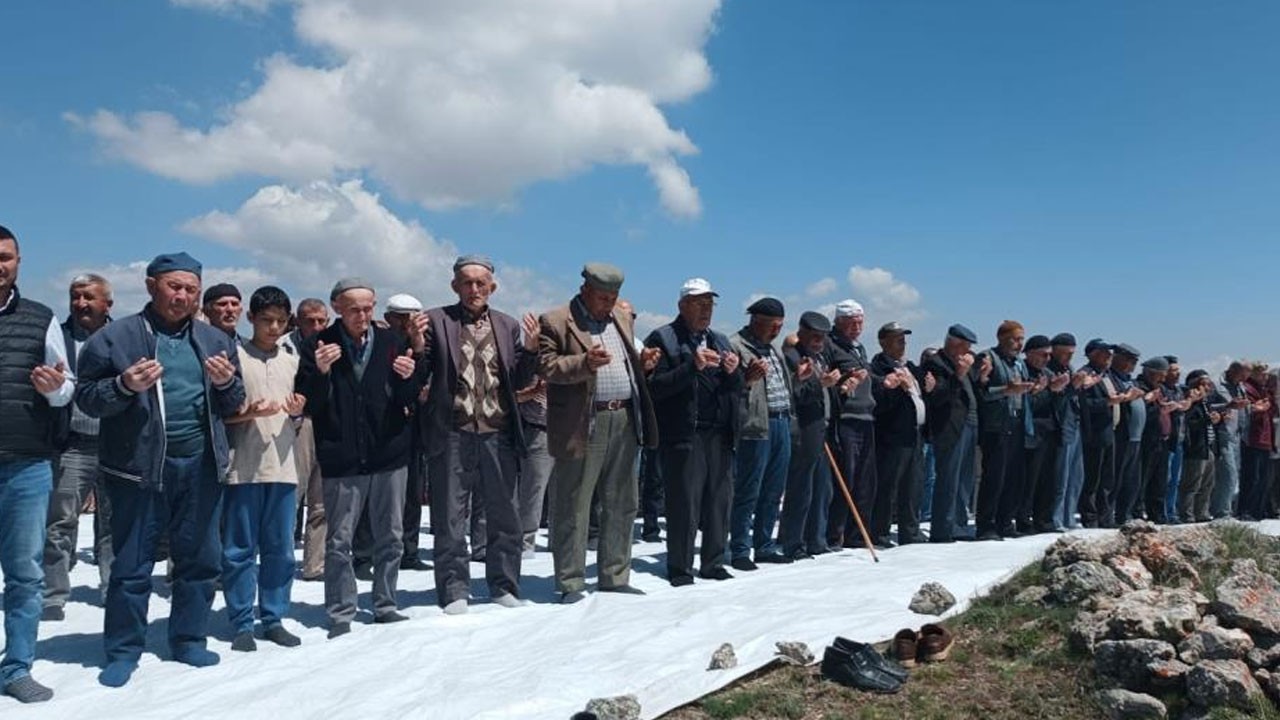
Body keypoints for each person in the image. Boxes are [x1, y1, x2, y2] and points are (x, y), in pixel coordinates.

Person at [76, 251, 245, 688]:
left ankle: (188, 637)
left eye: (190, 289)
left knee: (200, 559)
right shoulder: (116, 338)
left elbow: (234, 403)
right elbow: (88, 398)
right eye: (174, 286)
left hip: (201, 466)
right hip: (138, 469)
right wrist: (123, 386)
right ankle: (123, 649)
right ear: (152, 286)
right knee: (132, 565)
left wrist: (227, 383)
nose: (182, 295)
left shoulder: (215, 341)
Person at [296, 277, 424, 637]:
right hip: (342, 457)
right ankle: (340, 611)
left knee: (391, 536)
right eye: (354, 309)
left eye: (368, 308)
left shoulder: (390, 341)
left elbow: (407, 397)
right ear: (336, 307)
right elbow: (308, 401)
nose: (362, 316)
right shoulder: (318, 344)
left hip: (389, 453)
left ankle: (385, 603)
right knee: (339, 541)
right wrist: (319, 373)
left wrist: (410, 376)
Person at [420, 256, 539, 614]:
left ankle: (503, 584)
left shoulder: (507, 325)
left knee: (504, 514)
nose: (474, 289)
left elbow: (518, 380)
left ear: (492, 287)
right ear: (455, 286)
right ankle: (454, 589)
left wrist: (531, 350)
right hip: (452, 431)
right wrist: (413, 340)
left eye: (481, 283)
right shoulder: (438, 320)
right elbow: (423, 366)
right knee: (450, 514)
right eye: (467, 283)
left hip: (497, 432)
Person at [540, 263, 660, 602]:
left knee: (623, 502)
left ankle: (615, 575)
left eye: (614, 298)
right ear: (585, 291)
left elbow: (626, 361)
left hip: (623, 417)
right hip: (583, 422)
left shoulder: (621, 319)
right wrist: (583, 364)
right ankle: (570, 581)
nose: (609, 304)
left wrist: (644, 361)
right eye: (603, 297)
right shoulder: (557, 320)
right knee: (574, 505)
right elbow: (547, 367)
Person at [0, 225, 73, 703]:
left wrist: (53, 390)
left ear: (19, 261)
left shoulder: (41, 318)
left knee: (25, 573)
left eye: (5, 256)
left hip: (25, 465)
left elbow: (67, 386)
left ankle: (16, 667)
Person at [221, 286, 305, 652]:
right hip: (244, 466)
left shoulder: (292, 359)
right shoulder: (234, 355)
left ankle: (273, 616)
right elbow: (220, 411)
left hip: (284, 464)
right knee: (239, 548)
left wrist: (299, 407)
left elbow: (299, 406)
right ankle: (240, 620)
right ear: (250, 318)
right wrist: (251, 412)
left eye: (280, 322)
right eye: (266, 320)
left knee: (281, 549)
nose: (273, 328)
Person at [645, 278, 743, 586]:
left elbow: (737, 388)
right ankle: (680, 567)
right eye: (699, 304)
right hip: (684, 434)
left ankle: (713, 561)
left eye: (710, 305)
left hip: (719, 433)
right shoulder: (663, 338)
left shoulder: (720, 340)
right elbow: (655, 388)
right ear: (682, 306)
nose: (706, 311)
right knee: (684, 504)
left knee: (718, 501)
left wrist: (733, 372)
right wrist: (692, 366)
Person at [43, 273, 114, 622]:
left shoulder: (122, 338)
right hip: (73, 443)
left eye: (88, 297)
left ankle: (111, 587)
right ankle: (53, 594)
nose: (81, 303)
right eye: (76, 296)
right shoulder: (58, 336)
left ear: (107, 304)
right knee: (60, 520)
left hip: (116, 443)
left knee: (113, 523)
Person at [728, 297, 794, 569]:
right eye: (772, 326)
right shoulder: (736, 346)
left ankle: (764, 545)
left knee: (774, 488)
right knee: (749, 488)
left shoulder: (773, 349)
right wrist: (746, 379)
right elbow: (728, 388)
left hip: (781, 422)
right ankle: (740, 548)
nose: (776, 331)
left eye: (780, 326)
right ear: (756, 322)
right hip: (755, 424)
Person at [779, 312, 841, 559]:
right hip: (803, 428)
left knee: (822, 488)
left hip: (822, 427)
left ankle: (816, 539)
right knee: (801, 488)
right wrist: (820, 384)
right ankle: (794, 542)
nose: (818, 342)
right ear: (802, 333)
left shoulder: (820, 358)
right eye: (814, 337)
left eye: (822, 337)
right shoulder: (792, 357)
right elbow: (795, 394)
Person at [869, 322, 932, 546]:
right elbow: (879, 403)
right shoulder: (878, 368)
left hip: (914, 434)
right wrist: (895, 388)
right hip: (893, 436)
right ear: (883, 342)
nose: (902, 343)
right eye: (897, 339)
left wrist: (926, 387)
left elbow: (922, 393)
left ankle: (910, 530)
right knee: (888, 486)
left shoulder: (910, 367)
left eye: (904, 339)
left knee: (912, 485)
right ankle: (880, 532)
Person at [282, 298, 329, 581]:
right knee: (292, 496)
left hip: (327, 423)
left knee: (321, 501)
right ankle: (283, 560)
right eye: (309, 320)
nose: (316, 326)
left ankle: (315, 565)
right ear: (296, 320)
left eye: (321, 320)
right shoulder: (284, 346)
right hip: (297, 424)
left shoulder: (333, 343)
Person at [922, 324, 984, 543]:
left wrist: (980, 375)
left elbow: (975, 389)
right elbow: (938, 396)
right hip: (950, 426)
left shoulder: (967, 364)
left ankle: (959, 523)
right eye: (965, 346)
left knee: (965, 479)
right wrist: (959, 374)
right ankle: (943, 529)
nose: (967, 352)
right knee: (948, 478)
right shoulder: (935, 363)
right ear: (954, 343)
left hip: (970, 424)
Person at [974, 321, 1035, 541]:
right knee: (994, 477)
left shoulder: (1019, 363)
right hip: (996, 426)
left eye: (1021, 339)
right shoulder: (987, 358)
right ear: (1001, 338)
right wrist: (1007, 390)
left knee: (1013, 477)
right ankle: (986, 525)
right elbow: (982, 392)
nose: (1020, 344)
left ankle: (1005, 522)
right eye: (1015, 339)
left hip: (1017, 423)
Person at [383, 293, 431, 571]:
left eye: (412, 317)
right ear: (389, 318)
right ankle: (367, 553)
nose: (407, 323)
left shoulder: (423, 344)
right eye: (401, 317)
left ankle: (409, 552)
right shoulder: (379, 343)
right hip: (383, 425)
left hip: (415, 426)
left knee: (413, 492)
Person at [825, 300, 877, 548]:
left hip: (866, 416)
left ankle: (857, 535)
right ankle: (835, 535)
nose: (857, 326)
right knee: (845, 477)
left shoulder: (859, 348)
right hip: (845, 418)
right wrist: (845, 385)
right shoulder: (831, 345)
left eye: (860, 321)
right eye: (851, 322)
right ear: (838, 322)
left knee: (864, 480)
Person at [1020, 335, 1071, 533]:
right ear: (1030, 353)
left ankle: (1044, 519)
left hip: (1051, 432)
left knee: (1048, 480)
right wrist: (1049, 390)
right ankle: (1024, 519)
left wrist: (1060, 390)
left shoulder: (1048, 373)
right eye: (1043, 355)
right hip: (1033, 432)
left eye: (1050, 355)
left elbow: (1058, 404)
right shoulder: (1024, 371)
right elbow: (1028, 404)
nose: (1047, 359)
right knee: (1030, 480)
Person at [1078, 339, 1121, 528]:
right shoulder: (1085, 375)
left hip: (1110, 430)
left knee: (1107, 478)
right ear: (1092, 354)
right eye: (1105, 352)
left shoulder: (1107, 375)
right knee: (1092, 478)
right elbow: (1085, 404)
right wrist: (1107, 403)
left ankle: (1105, 516)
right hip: (1094, 432)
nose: (1109, 356)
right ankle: (1090, 516)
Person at [1049, 333, 1089, 530]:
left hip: (1075, 424)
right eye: (1065, 353)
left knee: (1076, 476)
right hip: (1061, 426)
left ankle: (1069, 516)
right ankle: (1056, 518)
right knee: (1060, 477)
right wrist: (1072, 386)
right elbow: (1056, 399)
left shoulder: (1069, 369)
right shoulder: (1050, 370)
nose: (1069, 357)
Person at [1109, 344, 1148, 525]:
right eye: (1128, 360)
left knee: (1132, 481)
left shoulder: (1131, 381)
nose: (1131, 364)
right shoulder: (1111, 378)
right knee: (1115, 478)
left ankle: (1125, 514)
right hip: (1121, 435)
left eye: (1134, 361)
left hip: (1137, 437)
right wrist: (1128, 397)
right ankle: (1109, 514)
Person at [1132, 355, 1171, 524]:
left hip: (1161, 439)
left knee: (1159, 479)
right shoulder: (1139, 387)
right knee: (1143, 477)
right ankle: (1138, 511)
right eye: (1160, 375)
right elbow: (1141, 412)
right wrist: (1151, 403)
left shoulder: (1160, 389)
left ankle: (1157, 513)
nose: (1163, 379)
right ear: (1150, 373)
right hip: (1146, 438)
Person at [1209, 362, 1249, 518]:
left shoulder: (1240, 387)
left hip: (1237, 435)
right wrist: (1227, 405)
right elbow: (1207, 406)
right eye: (1243, 374)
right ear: (1233, 371)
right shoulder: (1217, 385)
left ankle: (1227, 509)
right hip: (1222, 434)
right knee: (1228, 473)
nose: (1245, 378)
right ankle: (1221, 512)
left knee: (1234, 474)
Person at [1179, 369, 1218, 523]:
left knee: (1207, 483)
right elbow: (1189, 424)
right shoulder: (1191, 403)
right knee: (1192, 483)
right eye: (1204, 385)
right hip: (1195, 448)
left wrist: (1215, 418)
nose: (1208, 388)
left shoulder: (1205, 403)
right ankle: (1187, 514)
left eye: (1209, 385)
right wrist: (1207, 420)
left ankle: (1202, 512)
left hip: (1208, 447)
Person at [1239, 362, 1274, 521]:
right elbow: (1247, 410)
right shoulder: (1248, 389)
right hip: (1252, 439)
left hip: (1265, 439)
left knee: (1263, 478)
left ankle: (1257, 511)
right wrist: (1257, 408)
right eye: (1262, 374)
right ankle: (1246, 510)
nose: (1265, 377)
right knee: (1251, 477)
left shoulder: (1264, 390)